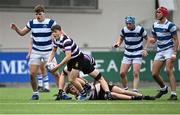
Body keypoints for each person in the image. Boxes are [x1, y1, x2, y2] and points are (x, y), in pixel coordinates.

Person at [10, 5, 70, 100]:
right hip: (36, 52)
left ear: (44, 14)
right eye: (36, 14)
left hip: (49, 52)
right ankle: (35, 93)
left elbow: (62, 33)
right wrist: (16, 28)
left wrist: (67, 41)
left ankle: (61, 93)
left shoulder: (51, 22)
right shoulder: (31, 23)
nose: (38, 16)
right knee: (31, 74)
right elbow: (22, 33)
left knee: (55, 73)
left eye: (40, 14)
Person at [47, 24, 112, 101]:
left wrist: (57, 66)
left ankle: (85, 93)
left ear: (60, 32)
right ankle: (103, 92)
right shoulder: (55, 40)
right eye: (52, 32)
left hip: (78, 59)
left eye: (55, 32)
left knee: (72, 79)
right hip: (73, 60)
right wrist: (48, 62)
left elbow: (68, 56)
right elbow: (54, 51)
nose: (53, 34)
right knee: (66, 74)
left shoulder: (66, 41)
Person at [144, 6, 179, 100]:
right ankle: (164, 88)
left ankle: (174, 94)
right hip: (160, 50)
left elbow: (176, 40)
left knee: (168, 70)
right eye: (156, 12)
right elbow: (154, 38)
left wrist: (174, 53)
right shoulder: (155, 25)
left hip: (169, 49)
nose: (157, 14)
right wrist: (149, 40)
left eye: (159, 12)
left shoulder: (170, 25)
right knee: (154, 74)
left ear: (164, 14)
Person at [114, 16, 148, 92]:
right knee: (122, 73)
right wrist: (118, 43)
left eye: (130, 23)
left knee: (135, 73)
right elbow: (121, 38)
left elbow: (147, 39)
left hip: (137, 53)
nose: (128, 25)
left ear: (133, 23)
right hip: (127, 53)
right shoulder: (124, 30)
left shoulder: (140, 29)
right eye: (127, 23)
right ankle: (125, 89)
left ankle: (135, 90)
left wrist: (145, 49)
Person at [65, 78, 155, 100]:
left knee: (123, 91)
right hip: (99, 95)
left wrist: (72, 79)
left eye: (74, 87)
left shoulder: (82, 87)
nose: (74, 89)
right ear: (71, 93)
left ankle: (143, 96)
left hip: (103, 87)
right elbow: (89, 96)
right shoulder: (78, 98)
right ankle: (134, 98)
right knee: (113, 95)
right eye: (72, 90)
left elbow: (76, 78)